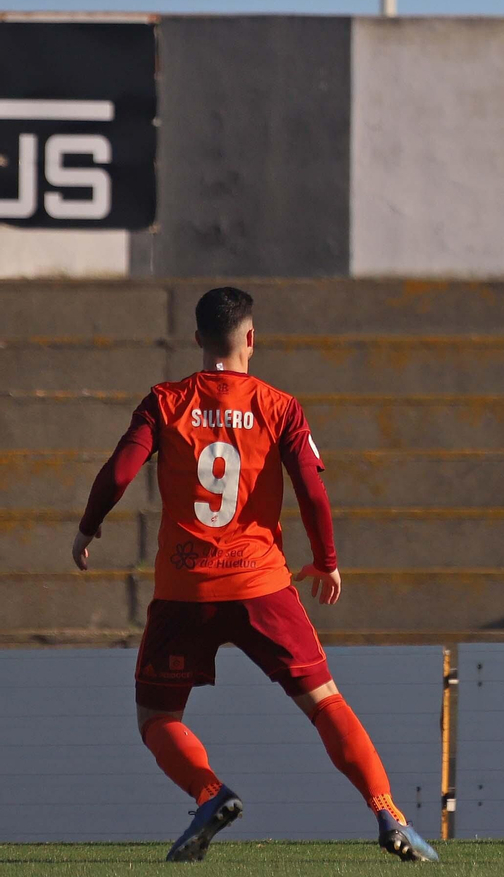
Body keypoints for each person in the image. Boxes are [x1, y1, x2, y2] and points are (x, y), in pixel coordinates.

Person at [72, 287, 438, 863]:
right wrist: (327, 559)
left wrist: (89, 527)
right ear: (250, 338)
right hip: (262, 585)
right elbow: (312, 490)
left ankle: (209, 794)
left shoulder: (166, 401)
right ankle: (387, 814)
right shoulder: (280, 405)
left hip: (184, 589)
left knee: (157, 718)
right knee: (325, 703)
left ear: (197, 340)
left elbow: (119, 471)